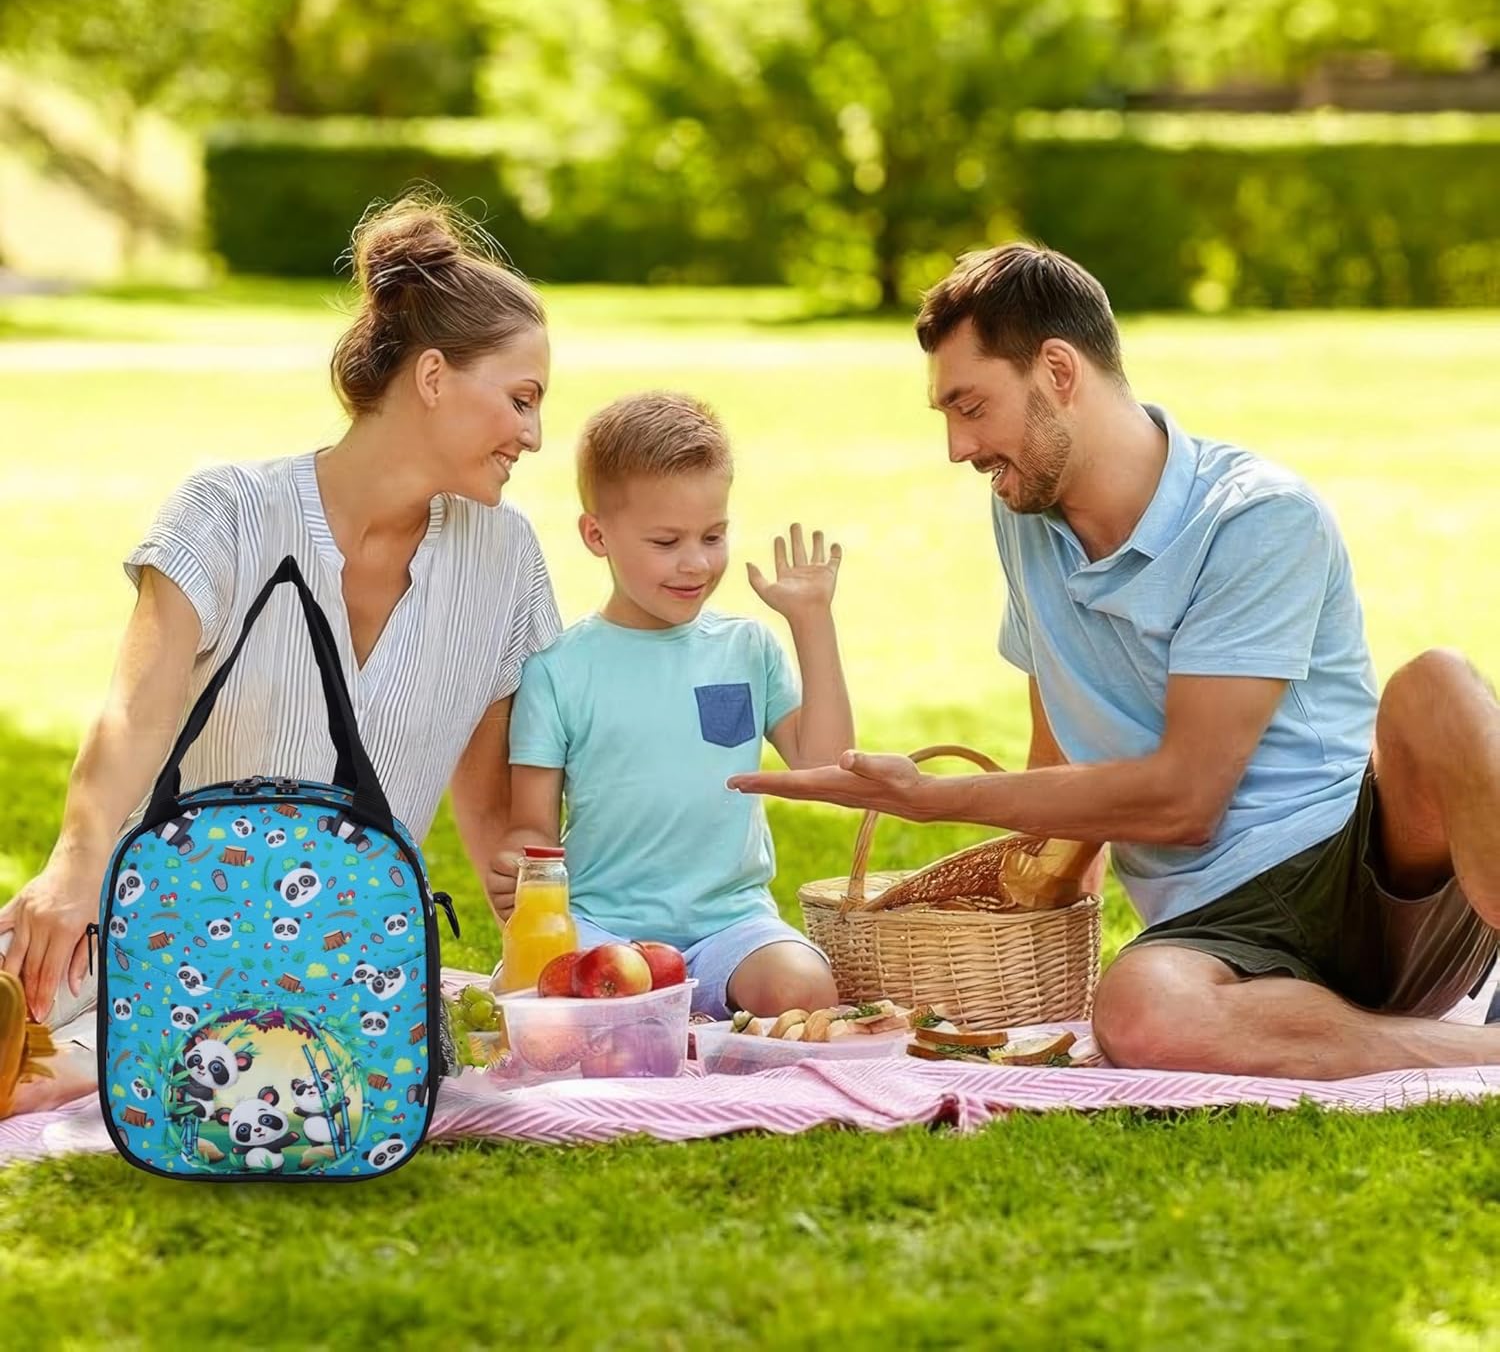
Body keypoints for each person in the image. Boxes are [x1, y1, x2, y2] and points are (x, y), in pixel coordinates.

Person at [730, 243, 1500, 1079]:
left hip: (1364, 869)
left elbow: (1186, 800)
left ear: (1058, 370)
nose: (958, 446)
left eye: (971, 406)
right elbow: (1056, 752)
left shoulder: (1254, 517)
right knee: (1139, 1010)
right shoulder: (1022, 515)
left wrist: (933, 799)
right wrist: (1028, 917)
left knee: (1437, 684)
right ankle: (1466, 1051)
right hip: (1221, 931)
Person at [0, 196, 561, 1118]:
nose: (534, 436)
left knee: (281, 1049)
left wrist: (545, 939)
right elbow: (131, 713)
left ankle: (100, 1068)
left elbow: (494, 804)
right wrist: (73, 863)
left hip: (339, 956)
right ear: (431, 377)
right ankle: (97, 1057)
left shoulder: (505, 558)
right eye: (521, 398)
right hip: (145, 916)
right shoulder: (227, 510)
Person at [500, 391, 850, 1019]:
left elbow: (824, 770)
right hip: (601, 925)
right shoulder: (557, 671)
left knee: (806, 991)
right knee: (533, 996)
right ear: (596, 534)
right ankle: (664, 1014)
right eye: (666, 542)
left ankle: (679, 1007)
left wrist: (811, 623)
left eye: (713, 536)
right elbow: (531, 825)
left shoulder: (747, 647)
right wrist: (523, 884)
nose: (696, 563)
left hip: (731, 927)